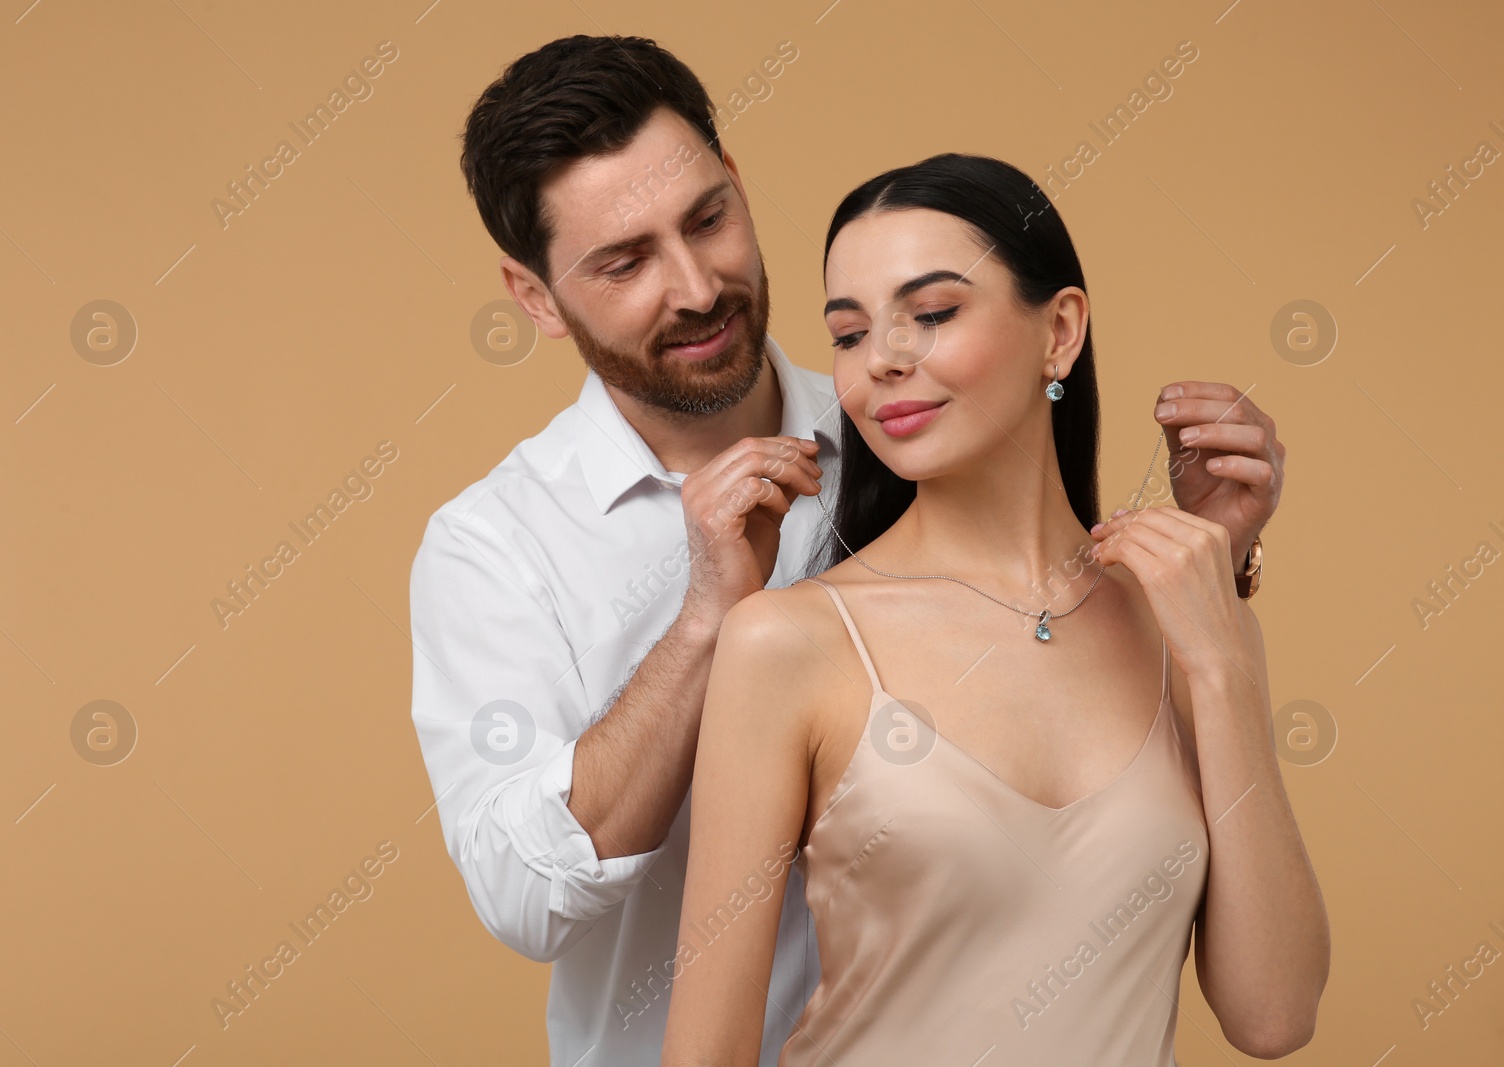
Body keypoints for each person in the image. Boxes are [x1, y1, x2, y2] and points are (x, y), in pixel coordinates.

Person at [410, 35, 1289, 1067]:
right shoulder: (497, 547)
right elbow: (526, 897)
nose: (695, 287)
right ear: (534, 298)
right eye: (624, 261)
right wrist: (706, 623)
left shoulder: (914, 419)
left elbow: (1056, 637)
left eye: (706, 219)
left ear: (737, 184)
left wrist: (1216, 576)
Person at [659, 153, 1328, 1066]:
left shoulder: (1184, 617)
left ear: (1060, 330)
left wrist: (1225, 658)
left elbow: (1274, 1015)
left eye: (932, 314)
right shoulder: (791, 641)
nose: (884, 360)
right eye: (849, 335)